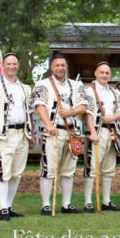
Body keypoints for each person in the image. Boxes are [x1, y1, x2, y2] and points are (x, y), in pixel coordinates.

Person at [32, 54, 88, 215]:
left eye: (63, 65)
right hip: (53, 132)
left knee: (68, 170)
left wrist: (70, 111)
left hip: (72, 132)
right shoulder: (42, 84)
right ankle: (46, 205)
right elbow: (40, 106)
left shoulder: (76, 85)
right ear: (51, 67)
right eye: (57, 65)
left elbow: (83, 106)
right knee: (49, 169)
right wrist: (49, 125)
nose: (60, 68)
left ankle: (66, 204)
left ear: (67, 67)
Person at [0, 53, 35, 220]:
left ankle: (9, 205)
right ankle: (3, 208)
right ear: (3, 66)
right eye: (8, 63)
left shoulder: (25, 88)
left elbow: (30, 113)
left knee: (16, 173)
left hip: (22, 134)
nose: (12, 66)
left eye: (14, 64)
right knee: (3, 171)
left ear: (18, 66)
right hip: (3, 134)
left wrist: (31, 134)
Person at [82, 62, 120, 212]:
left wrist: (113, 117)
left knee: (109, 168)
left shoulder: (115, 92)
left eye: (107, 73)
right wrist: (92, 132)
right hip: (97, 132)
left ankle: (106, 201)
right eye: (101, 72)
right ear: (95, 73)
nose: (104, 75)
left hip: (113, 133)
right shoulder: (88, 91)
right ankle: (88, 202)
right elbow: (86, 113)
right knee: (92, 167)